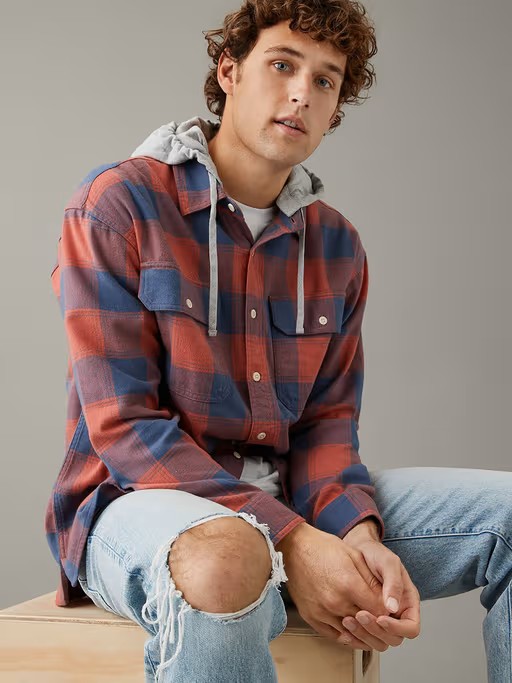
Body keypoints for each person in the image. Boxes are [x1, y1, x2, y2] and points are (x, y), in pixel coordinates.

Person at [45, 1, 511, 681]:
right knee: (229, 557)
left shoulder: (336, 245)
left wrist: (356, 533)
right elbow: (124, 427)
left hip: (295, 501)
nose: (301, 94)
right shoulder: (119, 204)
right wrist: (295, 542)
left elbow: (326, 425)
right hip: (134, 503)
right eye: (282, 65)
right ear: (229, 71)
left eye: (324, 80)